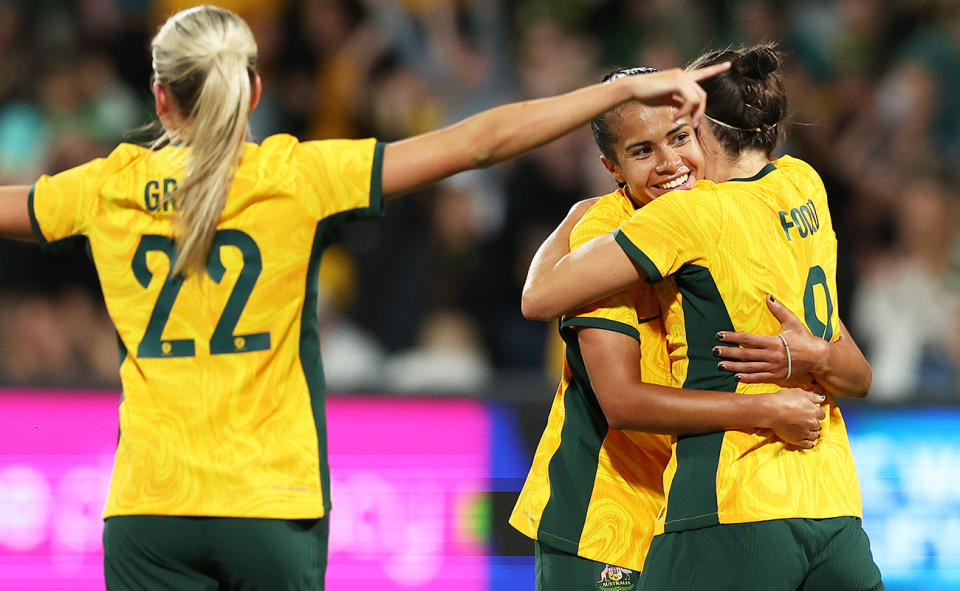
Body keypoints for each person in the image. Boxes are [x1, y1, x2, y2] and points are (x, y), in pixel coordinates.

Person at [0, 6, 733, 590]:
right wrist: (620, 90)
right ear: (252, 89)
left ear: (160, 97)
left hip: (148, 507)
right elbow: (477, 142)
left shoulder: (106, 187)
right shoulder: (295, 176)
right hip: (270, 506)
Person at [521, 45, 883, 591]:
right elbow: (620, 399)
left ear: (703, 132)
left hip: (694, 505)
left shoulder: (730, 215)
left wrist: (815, 354)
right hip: (607, 517)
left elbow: (857, 374)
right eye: (642, 151)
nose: (669, 164)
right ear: (611, 168)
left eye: (679, 139)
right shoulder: (606, 233)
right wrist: (764, 413)